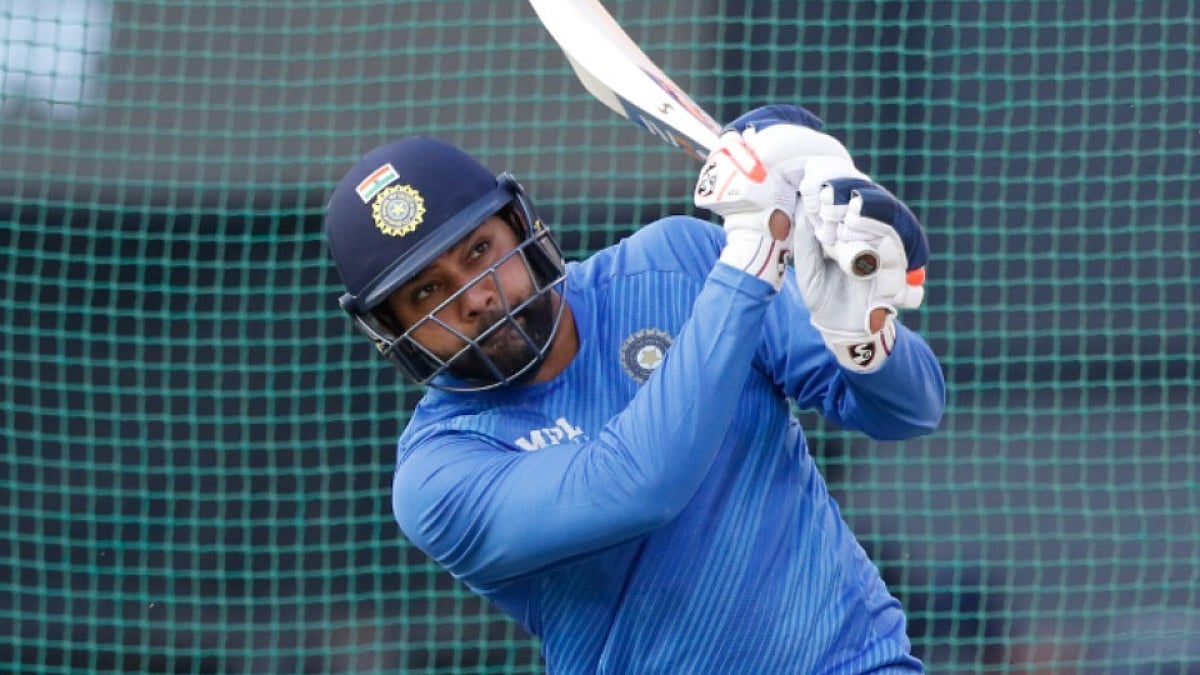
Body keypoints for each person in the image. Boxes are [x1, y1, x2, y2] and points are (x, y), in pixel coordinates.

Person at [324, 104, 946, 673]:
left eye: (480, 249)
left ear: (520, 226)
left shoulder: (680, 262)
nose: (476, 296)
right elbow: (637, 485)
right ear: (393, 330)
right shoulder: (438, 474)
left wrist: (861, 332)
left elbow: (913, 410)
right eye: (428, 292)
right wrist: (754, 256)